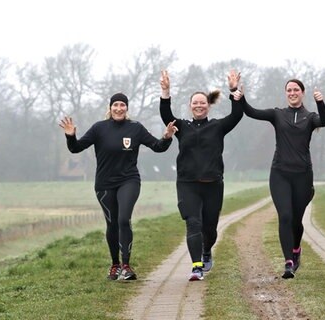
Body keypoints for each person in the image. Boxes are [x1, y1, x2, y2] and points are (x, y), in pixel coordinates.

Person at [59, 92, 176, 281]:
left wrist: (167, 137)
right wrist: (71, 136)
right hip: (104, 184)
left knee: (123, 219)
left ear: (127, 108)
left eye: (123, 105)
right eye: (116, 105)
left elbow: (158, 147)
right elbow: (76, 148)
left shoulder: (135, 128)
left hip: (129, 180)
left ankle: (126, 266)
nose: (119, 108)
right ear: (110, 108)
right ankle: (114, 265)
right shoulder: (99, 128)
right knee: (112, 223)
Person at [238, 77, 325, 279]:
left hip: (303, 176)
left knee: (296, 221)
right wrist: (241, 99)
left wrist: (321, 102)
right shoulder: (277, 114)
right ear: (285, 93)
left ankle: (296, 250)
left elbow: (324, 121)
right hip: (280, 173)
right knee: (285, 216)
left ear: (302, 93)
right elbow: (252, 112)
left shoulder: (310, 117)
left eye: (296, 89)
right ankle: (288, 262)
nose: (292, 93)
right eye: (289, 90)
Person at [159, 69, 244, 281]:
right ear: (190, 106)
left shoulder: (217, 126)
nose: (199, 105)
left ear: (208, 105)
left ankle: (207, 251)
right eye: (195, 103)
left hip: (213, 184)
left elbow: (237, 114)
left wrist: (233, 90)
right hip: (188, 184)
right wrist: (166, 91)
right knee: (193, 223)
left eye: (202, 103)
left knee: (210, 229)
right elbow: (165, 116)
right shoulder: (182, 126)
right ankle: (197, 266)